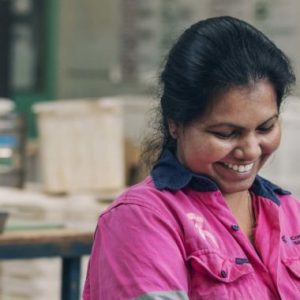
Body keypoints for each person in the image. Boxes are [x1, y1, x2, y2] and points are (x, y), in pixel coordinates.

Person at [83, 16, 299, 299]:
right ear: (176, 123)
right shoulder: (142, 219)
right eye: (225, 133)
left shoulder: (289, 212)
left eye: (265, 128)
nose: (250, 149)